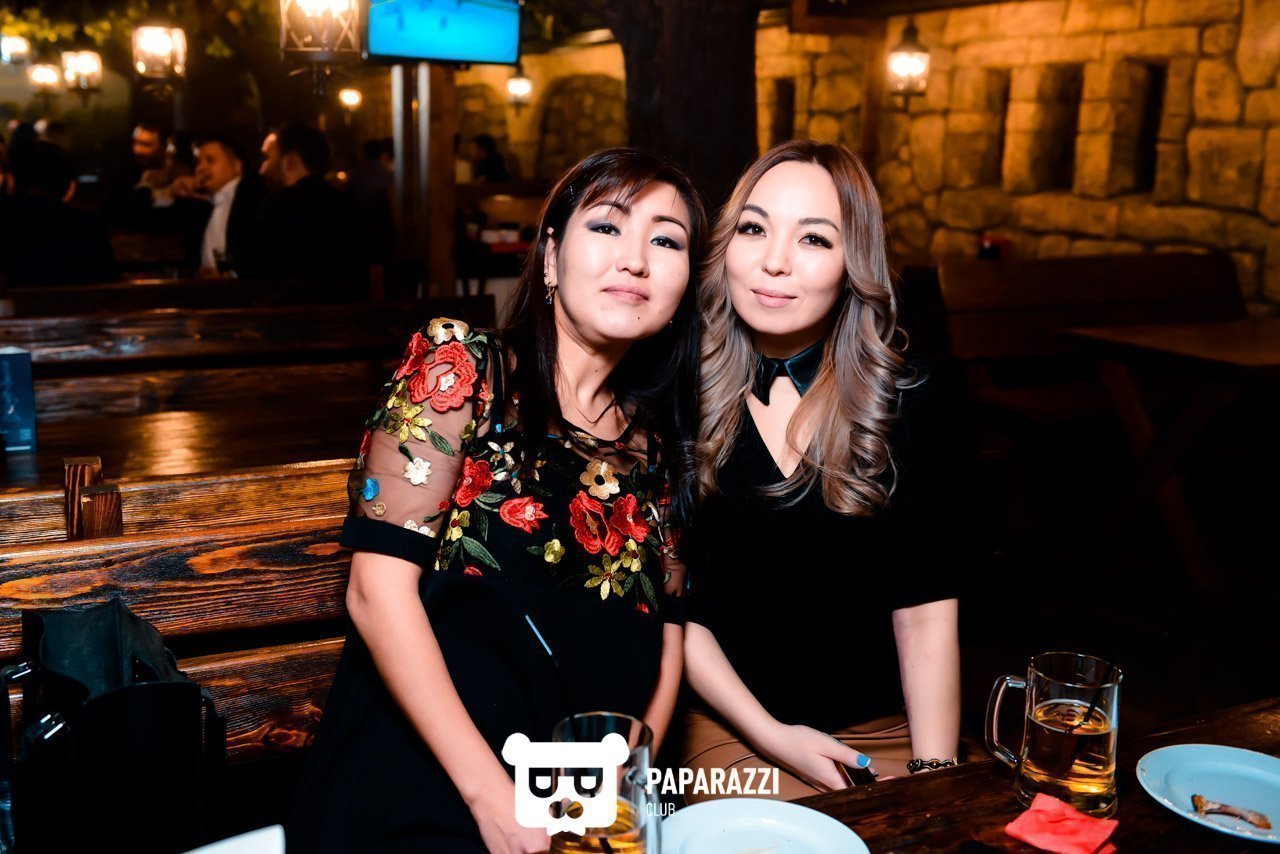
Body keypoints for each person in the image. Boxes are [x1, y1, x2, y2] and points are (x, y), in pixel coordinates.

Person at [288, 147, 706, 853]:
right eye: (607, 227)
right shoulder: (464, 369)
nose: (635, 259)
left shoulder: (662, 445)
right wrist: (494, 798)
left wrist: (620, 786)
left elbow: (668, 640)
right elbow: (376, 592)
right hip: (430, 778)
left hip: (580, 799)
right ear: (551, 258)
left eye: (666, 241)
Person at [680, 140, 974, 800]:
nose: (775, 261)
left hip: (884, 728)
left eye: (813, 239)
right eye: (754, 229)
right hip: (734, 724)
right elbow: (673, 613)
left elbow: (926, 613)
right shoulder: (675, 393)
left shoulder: (914, 398)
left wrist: (932, 779)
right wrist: (773, 737)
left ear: (853, 264)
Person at [250, 122, 364, 279]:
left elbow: (259, 270)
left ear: (290, 161)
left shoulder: (278, 208)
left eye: (267, 158)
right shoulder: (351, 208)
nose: (262, 169)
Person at [0, 140, 117, 287]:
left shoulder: (6, 221)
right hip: (79, 302)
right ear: (69, 187)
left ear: (11, 181)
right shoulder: (88, 225)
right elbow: (108, 282)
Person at [169, 135, 266, 278]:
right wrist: (171, 193)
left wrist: (231, 275)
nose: (200, 168)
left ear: (236, 166)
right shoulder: (199, 202)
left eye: (210, 160)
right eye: (198, 162)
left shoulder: (255, 197)